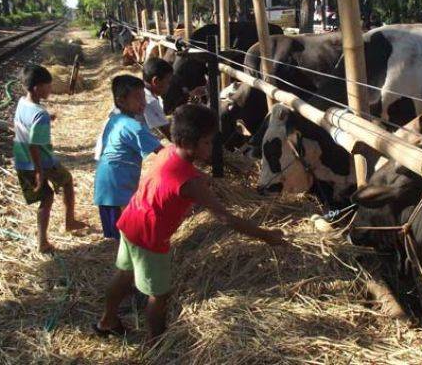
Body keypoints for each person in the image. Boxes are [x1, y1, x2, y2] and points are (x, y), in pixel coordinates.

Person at [94, 104, 286, 341]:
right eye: (206, 142)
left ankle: (107, 321)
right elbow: (225, 217)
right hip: (150, 237)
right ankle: (156, 343)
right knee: (160, 294)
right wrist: (266, 235)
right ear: (187, 142)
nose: (211, 147)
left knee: (124, 273)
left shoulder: (167, 152)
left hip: (131, 222)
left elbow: (172, 176)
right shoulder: (191, 183)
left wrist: (201, 176)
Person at [13, 65, 86, 253]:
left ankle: (43, 241)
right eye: (48, 85)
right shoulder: (40, 114)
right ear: (37, 87)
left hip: (22, 161)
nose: (50, 89)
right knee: (66, 182)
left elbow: (27, 126)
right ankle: (68, 223)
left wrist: (47, 118)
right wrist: (39, 171)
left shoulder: (23, 102)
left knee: (45, 198)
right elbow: (34, 145)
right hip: (42, 162)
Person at [94, 75, 163, 240]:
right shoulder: (134, 127)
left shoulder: (116, 119)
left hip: (107, 184)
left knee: (122, 236)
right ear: (121, 101)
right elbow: (162, 152)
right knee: (127, 235)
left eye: (143, 97)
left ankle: (123, 263)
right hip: (117, 188)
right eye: (137, 98)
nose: (143, 102)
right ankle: (125, 265)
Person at [140, 57, 173, 140]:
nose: (169, 86)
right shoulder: (149, 101)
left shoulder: (137, 90)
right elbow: (170, 135)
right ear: (156, 81)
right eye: (168, 82)